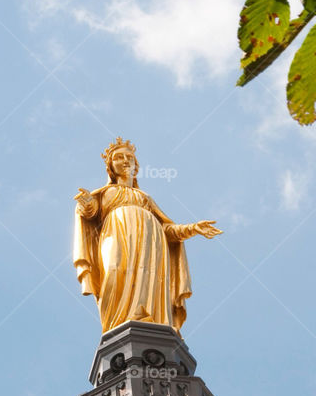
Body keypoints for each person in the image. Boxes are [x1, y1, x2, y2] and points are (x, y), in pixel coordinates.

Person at [73, 138, 221, 334]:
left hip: (151, 242)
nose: (125, 161)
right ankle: (116, 326)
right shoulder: (105, 193)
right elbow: (91, 213)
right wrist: (85, 203)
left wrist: (193, 228)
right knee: (113, 272)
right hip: (116, 234)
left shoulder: (145, 198)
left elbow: (168, 230)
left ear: (136, 167)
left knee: (149, 278)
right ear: (110, 167)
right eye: (119, 158)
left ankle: (150, 321)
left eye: (130, 158)